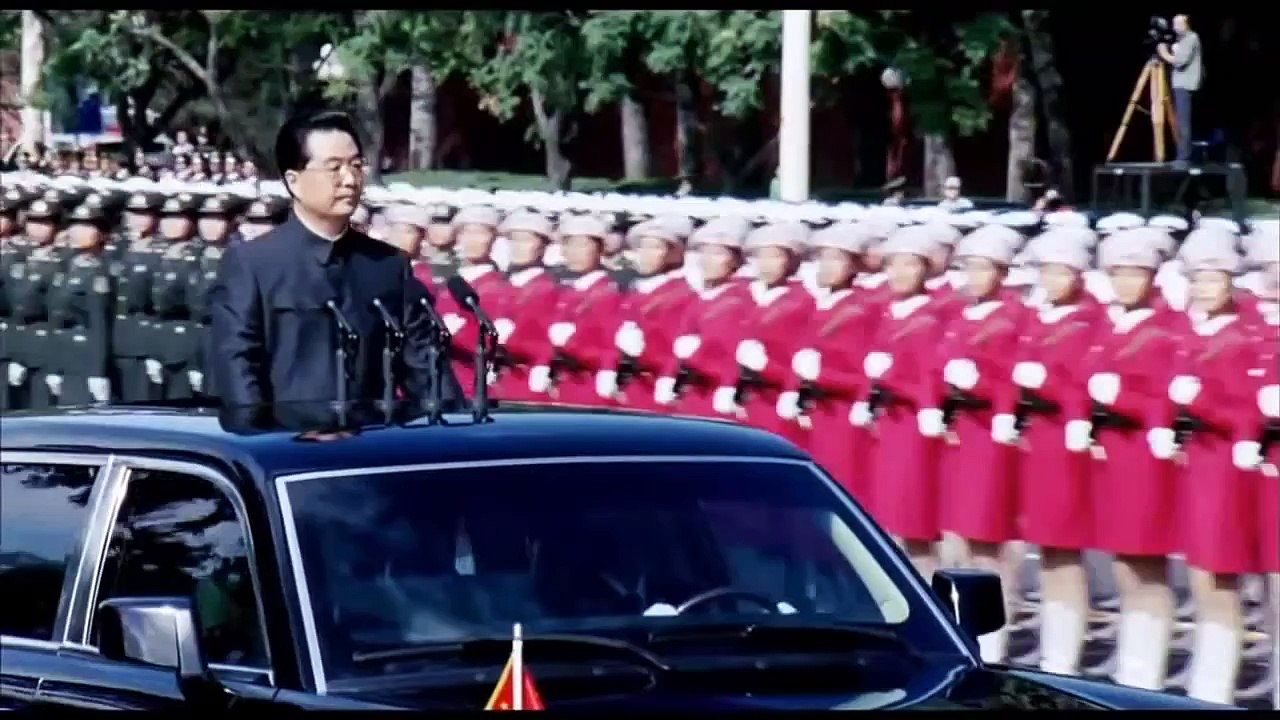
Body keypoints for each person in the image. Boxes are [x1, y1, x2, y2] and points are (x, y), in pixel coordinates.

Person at [206, 110, 463, 413]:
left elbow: (424, 365)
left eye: (356, 165)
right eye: (334, 167)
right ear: (294, 180)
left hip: (370, 442)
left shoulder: (387, 265)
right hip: (285, 444)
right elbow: (236, 366)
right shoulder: (253, 264)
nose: (349, 179)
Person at [1157, 14, 1203, 165]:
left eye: (1178, 24)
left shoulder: (1191, 38)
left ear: (1187, 24)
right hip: (1180, 84)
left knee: (1183, 122)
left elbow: (1180, 61)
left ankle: (1184, 157)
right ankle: (1182, 155)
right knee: (1180, 121)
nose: (1175, 27)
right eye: (1174, 24)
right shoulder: (1181, 40)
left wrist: (1163, 52)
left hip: (1185, 84)